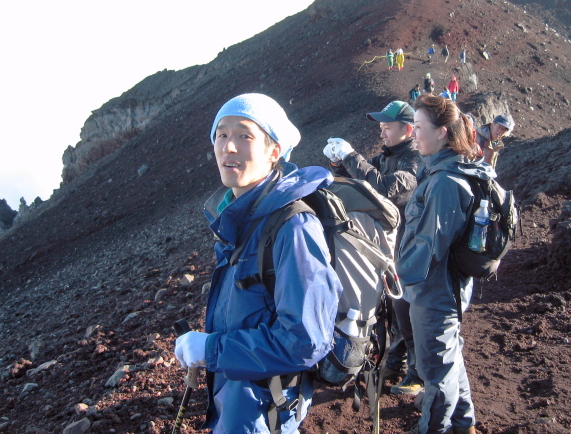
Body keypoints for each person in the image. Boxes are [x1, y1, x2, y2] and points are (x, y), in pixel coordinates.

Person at [175, 93, 342, 434]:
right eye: (221, 134)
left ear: (274, 151)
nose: (228, 147)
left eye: (245, 135)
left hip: (267, 411)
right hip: (238, 405)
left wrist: (212, 349)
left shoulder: (293, 227)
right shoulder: (241, 220)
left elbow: (306, 339)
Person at [397, 93, 494, 434]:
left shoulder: (445, 183)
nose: (414, 134)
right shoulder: (448, 171)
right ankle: (464, 425)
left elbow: (428, 245)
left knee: (436, 370)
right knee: (449, 360)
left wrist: (396, 275)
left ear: (441, 132)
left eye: (420, 127)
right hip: (445, 286)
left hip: (435, 290)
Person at [323, 100, 423, 396]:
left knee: (406, 308)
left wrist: (351, 155)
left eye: (387, 127)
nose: (382, 133)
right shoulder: (387, 156)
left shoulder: (415, 161)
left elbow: (380, 188)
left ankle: (417, 374)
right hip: (388, 247)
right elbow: (361, 179)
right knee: (389, 307)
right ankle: (394, 363)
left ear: (407, 129)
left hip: (411, 247)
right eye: (380, 127)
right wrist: (337, 163)